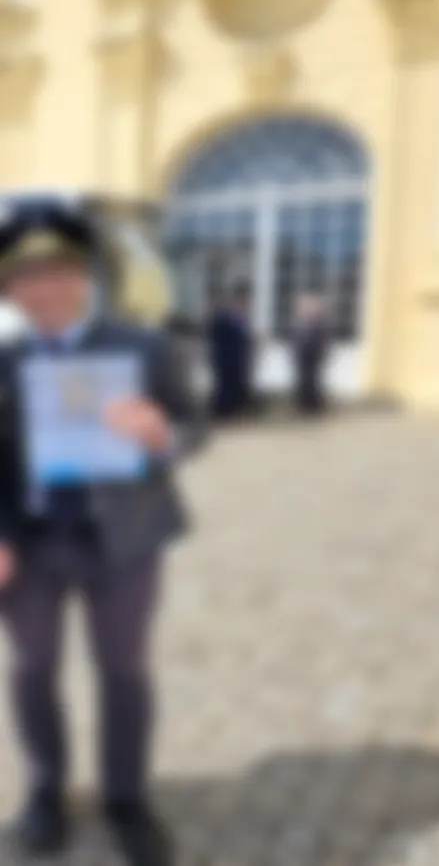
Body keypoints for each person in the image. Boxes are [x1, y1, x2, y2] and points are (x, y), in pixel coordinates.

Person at [0, 201, 204, 866]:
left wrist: (159, 433)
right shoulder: (6, 360)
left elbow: (192, 426)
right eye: (25, 276)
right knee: (32, 671)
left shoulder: (141, 347)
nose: (43, 287)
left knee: (122, 672)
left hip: (123, 540)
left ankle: (125, 800)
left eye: (57, 270)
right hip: (30, 545)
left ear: (84, 275)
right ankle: (46, 793)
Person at [206, 283, 252, 420]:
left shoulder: (238, 318)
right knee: (225, 386)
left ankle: (234, 410)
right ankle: (224, 412)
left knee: (235, 385)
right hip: (225, 359)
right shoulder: (221, 319)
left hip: (237, 360)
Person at [291, 293, 330, 416]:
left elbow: (322, 344)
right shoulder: (300, 325)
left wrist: (321, 354)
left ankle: (312, 405)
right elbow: (296, 341)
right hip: (302, 358)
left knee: (313, 382)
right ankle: (303, 404)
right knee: (303, 381)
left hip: (313, 358)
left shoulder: (319, 326)